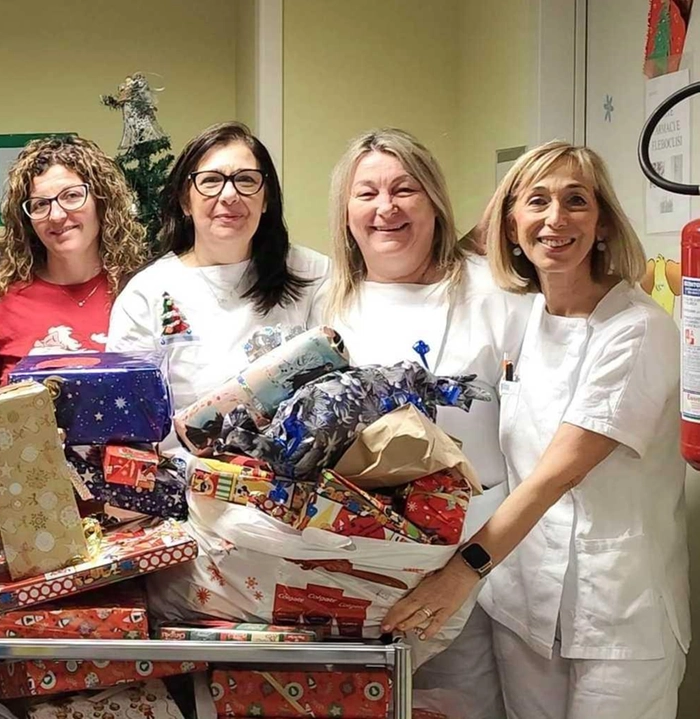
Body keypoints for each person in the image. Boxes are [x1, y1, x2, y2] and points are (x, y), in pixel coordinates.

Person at [383, 141, 690, 719]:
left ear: (602, 222)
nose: (556, 219)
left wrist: (459, 574)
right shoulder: (522, 317)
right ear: (510, 223)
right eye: (537, 202)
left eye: (577, 201)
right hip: (525, 604)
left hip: (618, 615)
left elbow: (554, 475)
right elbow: (466, 243)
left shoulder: (637, 330)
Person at [311, 128, 530, 718]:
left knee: (466, 701)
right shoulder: (327, 303)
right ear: (347, 212)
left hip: (475, 550)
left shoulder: (496, 294)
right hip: (356, 554)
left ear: (433, 200)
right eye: (367, 193)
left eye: (404, 189)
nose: (386, 208)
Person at [106, 121, 327, 413]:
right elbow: (130, 410)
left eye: (246, 180)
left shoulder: (312, 273)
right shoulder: (145, 295)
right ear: (185, 201)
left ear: (266, 199)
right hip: (183, 457)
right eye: (211, 180)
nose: (229, 195)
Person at [0, 135, 148, 391]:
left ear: (101, 202)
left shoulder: (141, 292)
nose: (57, 215)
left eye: (71, 196)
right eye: (40, 205)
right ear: (27, 220)